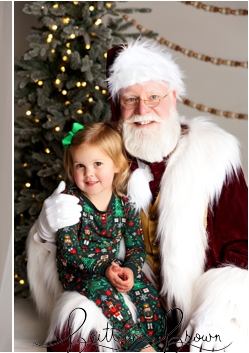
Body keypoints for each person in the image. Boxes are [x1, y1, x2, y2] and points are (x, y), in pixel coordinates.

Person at [28, 38, 247, 351]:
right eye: (131, 99)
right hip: (124, 295)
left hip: (195, 302)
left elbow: (243, 244)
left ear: (173, 97)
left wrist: (218, 306)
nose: (143, 110)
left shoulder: (216, 156)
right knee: (77, 323)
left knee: (219, 339)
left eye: (154, 96)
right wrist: (45, 232)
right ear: (119, 106)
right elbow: (75, 244)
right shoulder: (105, 157)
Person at [54, 122, 166, 351]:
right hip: (80, 272)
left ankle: (159, 344)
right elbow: (69, 252)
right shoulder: (70, 202)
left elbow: (136, 248)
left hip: (114, 267)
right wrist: (104, 268)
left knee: (148, 294)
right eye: (80, 166)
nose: (89, 173)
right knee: (103, 291)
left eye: (97, 164)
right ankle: (137, 344)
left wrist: (131, 271)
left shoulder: (125, 205)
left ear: (116, 165)